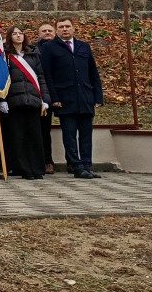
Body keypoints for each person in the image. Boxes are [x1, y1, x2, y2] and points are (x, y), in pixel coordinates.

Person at [40, 17, 104, 179]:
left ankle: (87, 165)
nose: (65, 29)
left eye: (67, 26)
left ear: (74, 29)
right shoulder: (49, 48)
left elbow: (93, 73)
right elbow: (48, 76)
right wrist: (53, 98)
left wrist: (97, 96)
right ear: (57, 30)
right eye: (61, 27)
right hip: (64, 99)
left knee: (86, 134)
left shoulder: (84, 47)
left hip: (85, 97)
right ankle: (77, 166)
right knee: (69, 134)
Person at [4, 26, 51, 180]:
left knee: (35, 135)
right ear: (10, 37)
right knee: (19, 136)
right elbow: (2, 80)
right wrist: (3, 100)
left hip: (33, 99)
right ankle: (24, 169)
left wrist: (45, 99)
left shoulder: (33, 54)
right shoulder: (6, 56)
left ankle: (38, 168)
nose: (18, 36)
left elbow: (41, 78)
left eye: (20, 33)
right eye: (15, 34)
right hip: (15, 101)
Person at [35, 22, 57, 175]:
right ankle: (46, 161)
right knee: (43, 130)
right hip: (42, 94)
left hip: (62, 92)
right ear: (39, 34)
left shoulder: (63, 47)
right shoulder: (34, 49)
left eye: (50, 30)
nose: (47, 33)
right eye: (44, 31)